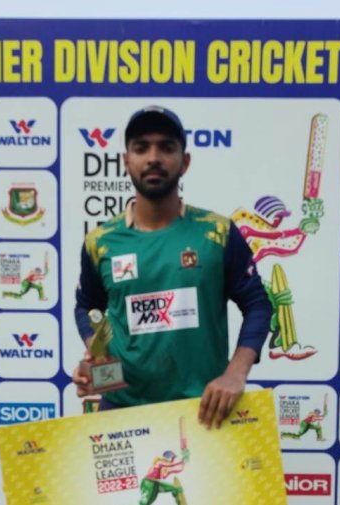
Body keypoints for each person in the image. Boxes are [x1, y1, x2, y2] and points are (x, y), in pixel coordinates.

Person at [72, 106, 272, 429]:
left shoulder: (216, 232)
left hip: (204, 413)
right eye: (141, 148)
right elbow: (87, 306)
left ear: (185, 161)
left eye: (166, 147)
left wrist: (236, 373)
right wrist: (98, 355)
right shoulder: (101, 242)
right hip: (122, 414)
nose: (153, 158)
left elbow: (258, 303)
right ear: (126, 161)